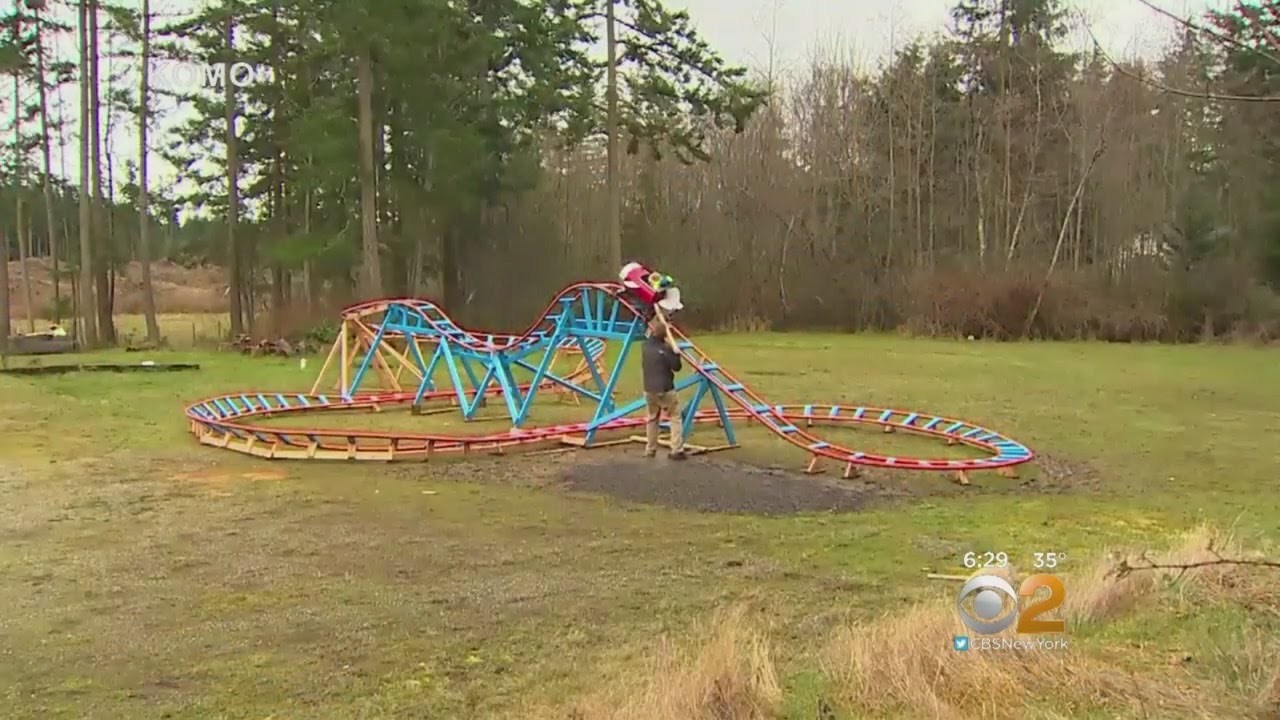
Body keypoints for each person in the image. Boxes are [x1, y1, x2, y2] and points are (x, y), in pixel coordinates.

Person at [641, 316, 687, 460]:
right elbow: (677, 367)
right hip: (665, 388)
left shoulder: (645, 346)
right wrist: (677, 353)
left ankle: (650, 449)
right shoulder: (666, 349)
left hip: (649, 389)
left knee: (652, 418)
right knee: (675, 416)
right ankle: (676, 449)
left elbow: (649, 336)